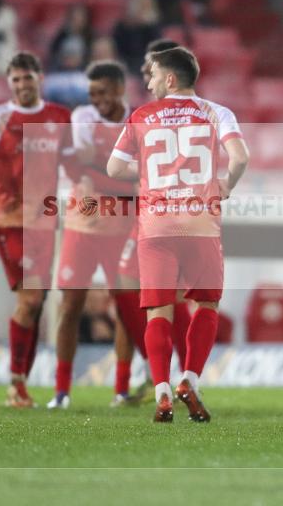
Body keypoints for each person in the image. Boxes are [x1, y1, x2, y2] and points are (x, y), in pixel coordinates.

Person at [107, 47, 249, 423]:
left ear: (170, 79)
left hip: (155, 226)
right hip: (200, 223)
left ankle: (163, 392)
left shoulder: (142, 116)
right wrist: (226, 184)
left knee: (159, 309)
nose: (148, 82)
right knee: (205, 306)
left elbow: (114, 167)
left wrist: (153, 173)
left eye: (152, 75)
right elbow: (241, 157)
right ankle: (190, 379)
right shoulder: (217, 113)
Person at [0, 52, 72, 408]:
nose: (23, 85)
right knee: (29, 299)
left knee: (36, 304)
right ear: (9, 84)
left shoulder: (59, 117)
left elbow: (74, 162)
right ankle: (16, 386)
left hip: (43, 221)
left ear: (40, 78)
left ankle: (20, 383)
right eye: (16, 80)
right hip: (8, 219)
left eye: (28, 78)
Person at [50, 60, 135, 409]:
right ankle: (61, 390)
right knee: (70, 305)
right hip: (81, 226)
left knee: (126, 309)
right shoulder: (82, 117)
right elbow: (79, 168)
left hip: (122, 226)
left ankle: (121, 389)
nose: (95, 100)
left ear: (119, 90)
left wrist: (100, 166)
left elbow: (132, 176)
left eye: (102, 92)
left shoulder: (136, 120)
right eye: (91, 93)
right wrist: (122, 174)